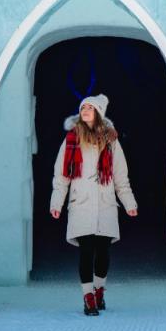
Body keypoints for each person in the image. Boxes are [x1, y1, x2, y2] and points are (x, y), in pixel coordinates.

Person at [50, 93, 137, 316]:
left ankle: (99, 292)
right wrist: (56, 202)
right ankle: (88, 297)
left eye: (90, 107)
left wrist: (129, 203)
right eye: (82, 108)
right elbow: (62, 175)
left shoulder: (111, 140)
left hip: (106, 203)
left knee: (103, 252)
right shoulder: (71, 139)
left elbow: (120, 175)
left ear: (98, 112)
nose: (85, 111)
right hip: (82, 203)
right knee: (86, 251)